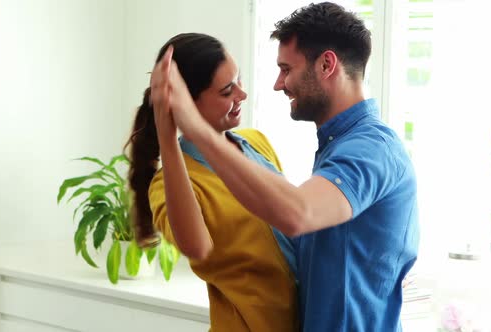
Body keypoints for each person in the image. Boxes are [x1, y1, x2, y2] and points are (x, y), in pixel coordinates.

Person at [150, 3, 420, 332]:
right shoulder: (336, 148)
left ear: (326, 64)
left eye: (286, 69)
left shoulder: (369, 150)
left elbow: (296, 214)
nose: (279, 84)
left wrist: (195, 128)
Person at [126, 33, 298, 332]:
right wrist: (167, 134)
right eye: (226, 90)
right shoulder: (168, 183)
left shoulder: (257, 144)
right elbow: (196, 246)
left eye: (239, 81)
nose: (241, 95)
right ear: (186, 103)